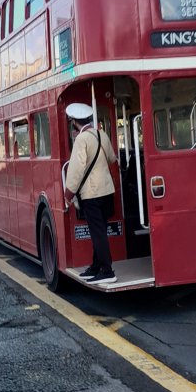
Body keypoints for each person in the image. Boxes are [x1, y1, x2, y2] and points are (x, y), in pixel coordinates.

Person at [64, 102, 118, 285]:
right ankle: (96, 266)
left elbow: (76, 168)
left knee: (97, 233)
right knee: (100, 229)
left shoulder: (81, 139)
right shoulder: (101, 134)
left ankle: (107, 270)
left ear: (74, 122)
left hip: (91, 194)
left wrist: (68, 193)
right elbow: (112, 158)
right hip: (107, 190)